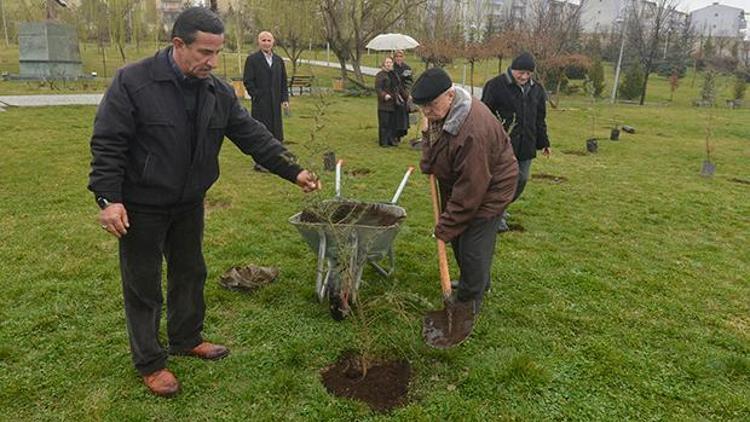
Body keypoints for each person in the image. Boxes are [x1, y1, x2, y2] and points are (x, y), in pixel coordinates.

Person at [87, 7, 320, 398]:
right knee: (143, 285)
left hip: (189, 202)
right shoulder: (135, 82)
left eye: (218, 52)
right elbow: (108, 142)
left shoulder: (217, 91)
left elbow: (251, 133)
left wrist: (291, 169)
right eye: (204, 53)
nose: (213, 62)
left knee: (190, 272)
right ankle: (150, 362)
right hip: (142, 204)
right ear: (178, 44)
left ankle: (185, 337)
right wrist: (109, 199)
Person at [414, 67, 518, 313]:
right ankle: (479, 283)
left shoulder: (472, 130)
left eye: (431, 104)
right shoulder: (442, 115)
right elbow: (434, 143)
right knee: (459, 239)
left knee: (472, 246)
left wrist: (445, 227)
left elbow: (471, 191)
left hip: (490, 189)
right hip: (463, 182)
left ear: (450, 95)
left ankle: (467, 305)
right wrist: (428, 162)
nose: (427, 111)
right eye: (422, 106)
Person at [481, 52, 551, 232]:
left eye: (528, 73)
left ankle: (500, 206)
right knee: (502, 181)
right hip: (502, 145)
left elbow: (540, 118)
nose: (524, 76)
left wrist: (544, 142)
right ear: (512, 69)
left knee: (522, 179)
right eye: (520, 72)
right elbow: (484, 115)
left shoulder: (537, 90)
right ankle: (497, 214)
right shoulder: (495, 86)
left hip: (526, 144)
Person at [243, 31, 289, 170]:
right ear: (259, 42)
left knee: (276, 130)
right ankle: (260, 162)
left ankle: (276, 158)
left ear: (273, 42)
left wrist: (284, 99)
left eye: (269, 40)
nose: (266, 43)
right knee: (261, 131)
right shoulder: (252, 59)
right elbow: (248, 80)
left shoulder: (278, 61)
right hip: (260, 103)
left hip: (275, 103)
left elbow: (283, 81)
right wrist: (256, 95)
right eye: (263, 40)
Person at [374, 56, 408, 148]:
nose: (389, 64)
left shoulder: (393, 74)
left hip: (394, 103)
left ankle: (390, 141)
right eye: (387, 62)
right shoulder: (380, 75)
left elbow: (399, 87)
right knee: (384, 123)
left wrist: (407, 96)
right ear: (383, 64)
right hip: (384, 104)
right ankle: (383, 142)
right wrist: (384, 95)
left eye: (390, 62)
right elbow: (378, 88)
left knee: (392, 124)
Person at [392, 50, 414, 142]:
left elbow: (410, 81)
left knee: (403, 115)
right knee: (394, 116)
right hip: (394, 94)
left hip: (404, 94)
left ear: (403, 57)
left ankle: (401, 134)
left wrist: (408, 93)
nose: (398, 58)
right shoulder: (392, 68)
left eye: (400, 56)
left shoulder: (407, 68)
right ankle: (393, 134)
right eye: (397, 56)